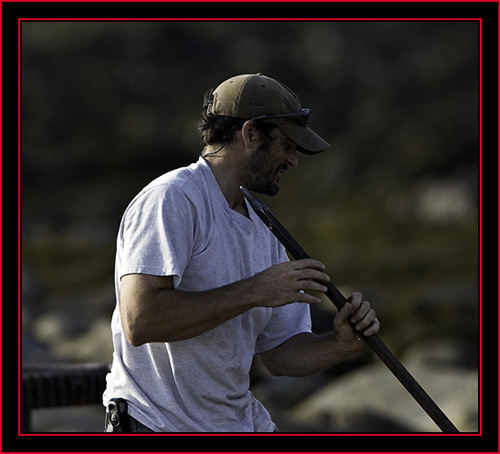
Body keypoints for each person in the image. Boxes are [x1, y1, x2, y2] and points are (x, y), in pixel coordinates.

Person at [103, 73, 380, 433]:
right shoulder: (172, 199)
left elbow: (279, 355)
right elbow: (141, 322)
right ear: (250, 134)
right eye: (288, 145)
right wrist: (256, 291)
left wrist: (340, 344)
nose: (293, 161)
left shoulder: (265, 228)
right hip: (156, 424)